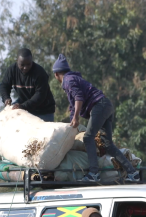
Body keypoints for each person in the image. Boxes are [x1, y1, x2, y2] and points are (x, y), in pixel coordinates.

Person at [52, 54, 140, 182]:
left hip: (99, 106)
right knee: (108, 145)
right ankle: (133, 173)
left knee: (88, 138)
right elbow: (73, 106)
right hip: (106, 105)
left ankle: (93, 173)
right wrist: (71, 124)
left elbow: (78, 97)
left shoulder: (67, 80)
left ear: (56, 74)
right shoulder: (73, 79)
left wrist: (76, 117)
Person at [0, 48, 57, 122]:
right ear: (17, 61)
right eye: (22, 65)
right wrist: (6, 98)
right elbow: (4, 85)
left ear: (32, 61)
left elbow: (40, 95)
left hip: (43, 110)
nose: (25, 67)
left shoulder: (40, 73)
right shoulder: (12, 70)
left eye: (28, 64)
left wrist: (23, 106)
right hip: (25, 107)